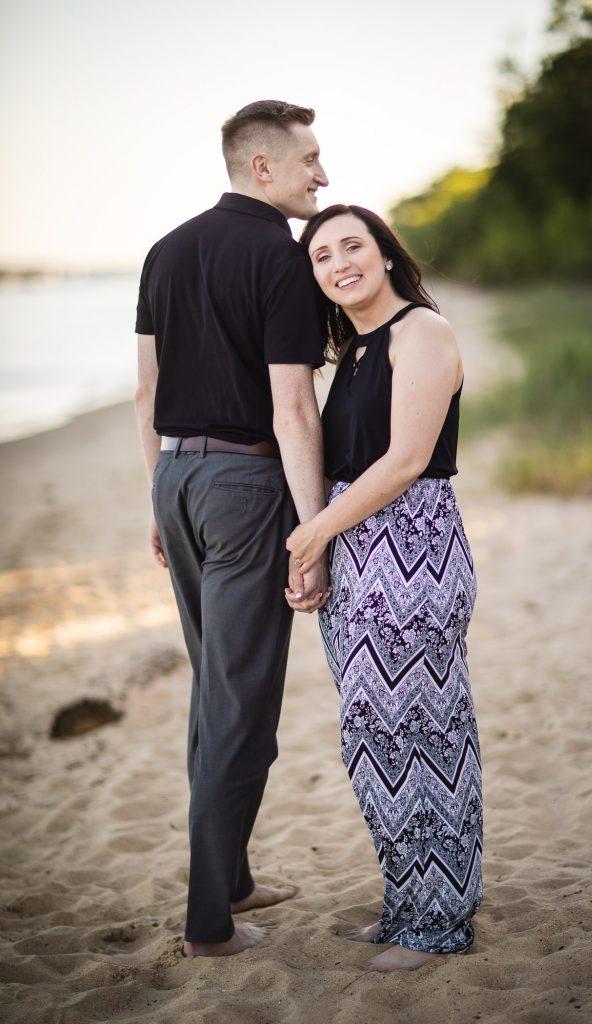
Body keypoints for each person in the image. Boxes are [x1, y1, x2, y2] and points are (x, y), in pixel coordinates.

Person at [134, 100, 330, 959]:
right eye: (309, 161)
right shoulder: (282, 261)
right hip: (246, 484)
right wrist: (314, 527)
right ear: (261, 166)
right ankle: (210, 922)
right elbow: (292, 409)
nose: (321, 176)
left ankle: (236, 875)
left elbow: (146, 394)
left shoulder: (163, 250)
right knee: (242, 701)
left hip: (176, 476)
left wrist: (157, 496)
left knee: (216, 688)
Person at [286, 205, 483, 972]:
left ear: (385, 254)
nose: (338, 262)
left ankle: (438, 922)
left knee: (419, 733)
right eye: (321, 255)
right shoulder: (357, 349)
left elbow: (405, 461)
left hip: (413, 551)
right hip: (360, 551)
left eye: (351, 246)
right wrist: (329, 540)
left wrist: (311, 533)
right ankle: (410, 903)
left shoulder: (420, 334)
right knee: (375, 739)